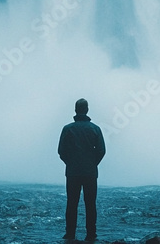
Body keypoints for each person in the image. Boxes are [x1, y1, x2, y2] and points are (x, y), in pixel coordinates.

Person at [57, 98, 106, 241]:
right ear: (87, 110)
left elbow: (61, 151)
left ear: (75, 110)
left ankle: (70, 234)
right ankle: (91, 234)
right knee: (90, 204)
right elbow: (102, 150)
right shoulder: (95, 129)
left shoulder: (67, 129)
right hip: (90, 173)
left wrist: (70, 163)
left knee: (72, 203)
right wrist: (92, 163)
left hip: (72, 173)